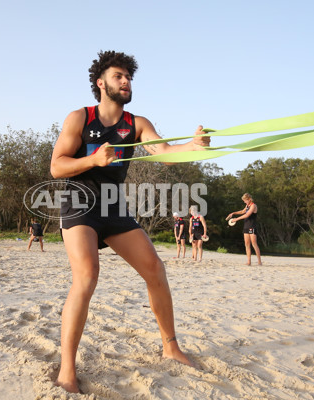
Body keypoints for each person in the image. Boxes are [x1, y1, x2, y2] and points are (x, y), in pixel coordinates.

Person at [50, 50, 209, 393]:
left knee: (154, 268)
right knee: (87, 275)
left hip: (113, 207)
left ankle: (170, 346)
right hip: (79, 204)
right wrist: (93, 159)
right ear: (101, 82)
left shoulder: (136, 123)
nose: (126, 82)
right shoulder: (80, 117)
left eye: (129, 77)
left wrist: (194, 146)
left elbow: (165, 154)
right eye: (119, 76)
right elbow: (57, 166)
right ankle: (66, 370)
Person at [226, 193, 262, 266]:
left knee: (254, 243)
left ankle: (259, 262)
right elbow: (242, 211)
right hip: (246, 226)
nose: (244, 202)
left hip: (252, 226)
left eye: (245, 200)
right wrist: (233, 213)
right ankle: (249, 262)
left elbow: (247, 214)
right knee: (247, 244)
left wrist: (236, 219)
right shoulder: (247, 205)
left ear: (248, 199)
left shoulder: (253, 205)